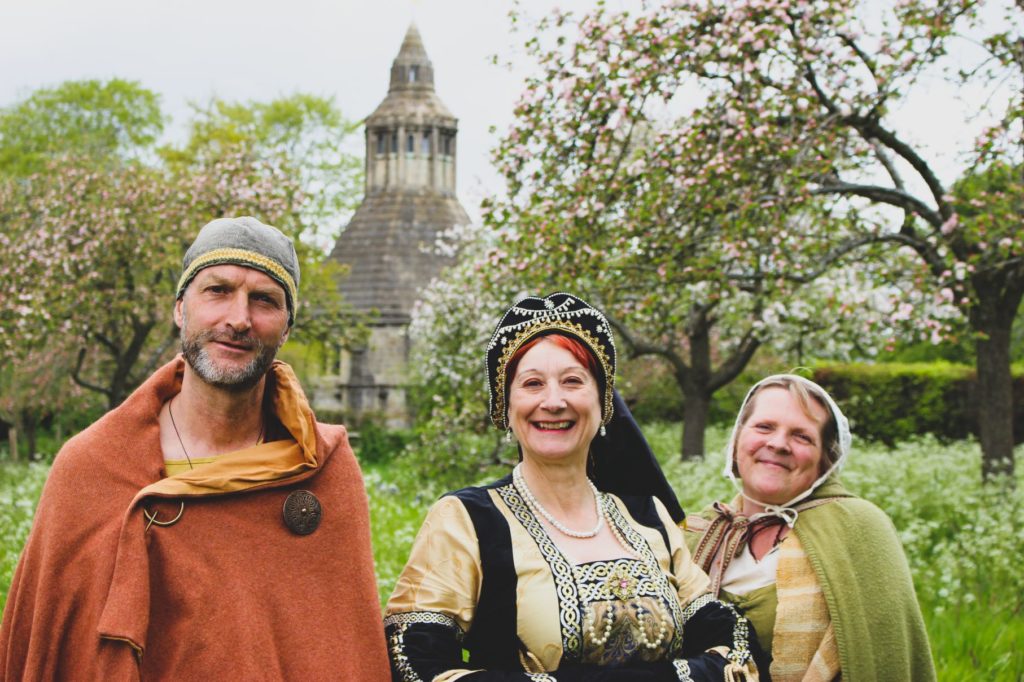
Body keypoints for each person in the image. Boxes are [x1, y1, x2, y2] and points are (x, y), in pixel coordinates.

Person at [0, 217, 391, 680]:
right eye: (218, 291)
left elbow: (347, 651)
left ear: (286, 328)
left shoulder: (323, 470)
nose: (239, 319)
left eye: (264, 300)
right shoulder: (90, 468)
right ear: (180, 309)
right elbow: (45, 649)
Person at [384, 292, 761, 681]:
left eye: (573, 381)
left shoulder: (649, 517)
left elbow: (733, 644)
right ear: (505, 408)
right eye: (532, 384)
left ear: (602, 404)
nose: (553, 401)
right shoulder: (467, 520)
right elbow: (413, 662)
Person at [684, 374, 936, 681]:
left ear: (825, 461)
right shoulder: (700, 532)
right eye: (764, 427)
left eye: (801, 436)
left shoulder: (858, 528)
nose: (777, 444)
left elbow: (883, 659)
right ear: (737, 438)